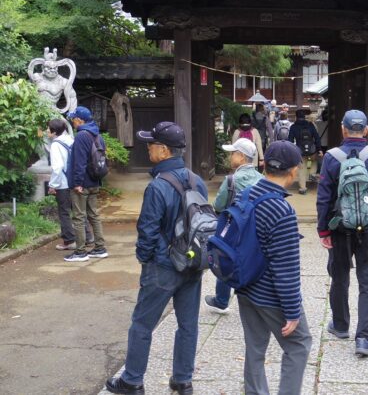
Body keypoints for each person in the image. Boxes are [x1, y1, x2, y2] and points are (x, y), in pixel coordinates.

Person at [105, 121, 207, 395]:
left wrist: (145, 260)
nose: (148, 148)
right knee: (188, 325)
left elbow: (147, 231)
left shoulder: (158, 186)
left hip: (163, 266)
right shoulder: (197, 180)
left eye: (151, 144)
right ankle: (183, 380)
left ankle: (132, 381)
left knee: (142, 323)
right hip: (192, 263)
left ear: (164, 150)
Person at [316, 109, 368, 357]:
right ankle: (364, 339)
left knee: (339, 276)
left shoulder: (331, 158)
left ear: (343, 129)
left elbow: (324, 198)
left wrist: (323, 230)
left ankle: (340, 326)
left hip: (339, 228)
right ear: (366, 130)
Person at [236, 140, 312, 395]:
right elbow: (285, 269)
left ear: (264, 165)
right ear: (294, 170)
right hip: (269, 293)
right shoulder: (282, 210)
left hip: (245, 286)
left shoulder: (246, 194)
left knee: (255, 347)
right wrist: (292, 311)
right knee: (299, 344)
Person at [205, 138, 264, 314]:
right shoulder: (262, 179)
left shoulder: (232, 180)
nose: (230, 157)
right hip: (256, 229)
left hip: (234, 228)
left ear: (241, 156)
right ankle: (255, 299)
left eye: (233, 154)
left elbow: (218, 205)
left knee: (225, 259)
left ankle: (222, 300)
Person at [64, 106, 107, 262]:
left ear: (79, 120)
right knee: (94, 215)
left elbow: (79, 162)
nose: (73, 122)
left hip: (82, 184)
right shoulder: (97, 135)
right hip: (94, 181)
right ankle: (100, 248)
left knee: (79, 217)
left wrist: (77, 183)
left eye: (73, 119)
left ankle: (80, 251)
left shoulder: (81, 135)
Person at [47, 118, 93, 251]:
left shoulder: (56, 145)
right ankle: (88, 237)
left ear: (54, 131)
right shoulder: (71, 139)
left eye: (48, 129)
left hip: (62, 183)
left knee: (64, 212)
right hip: (74, 181)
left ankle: (69, 240)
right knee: (79, 211)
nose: (46, 131)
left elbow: (57, 167)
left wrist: (53, 185)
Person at [288, 109, 322, 195]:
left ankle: (303, 188)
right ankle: (312, 174)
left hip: (300, 152)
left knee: (301, 169)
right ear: (304, 117)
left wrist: (292, 151)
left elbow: (290, 140)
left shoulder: (293, 127)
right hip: (312, 151)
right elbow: (317, 138)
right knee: (312, 164)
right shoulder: (310, 125)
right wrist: (319, 149)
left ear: (296, 117)